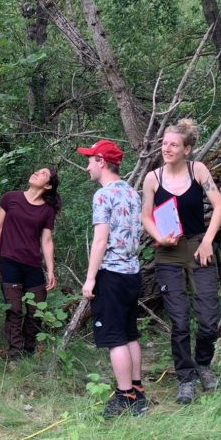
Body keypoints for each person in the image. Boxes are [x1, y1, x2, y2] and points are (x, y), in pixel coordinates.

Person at [141, 119, 221, 405]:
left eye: (173, 144)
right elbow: (145, 217)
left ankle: (204, 364)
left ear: (187, 150)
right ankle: (186, 378)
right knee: (179, 321)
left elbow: (219, 207)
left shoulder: (198, 170)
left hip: (199, 247)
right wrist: (158, 237)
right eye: (164, 143)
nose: (166, 148)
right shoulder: (153, 178)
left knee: (207, 318)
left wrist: (206, 241)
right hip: (168, 253)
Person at [77, 140, 148, 419]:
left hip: (112, 273)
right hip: (132, 273)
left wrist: (90, 278)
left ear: (101, 162)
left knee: (116, 337)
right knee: (129, 333)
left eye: (90, 161)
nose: (87, 167)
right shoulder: (132, 192)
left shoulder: (103, 195)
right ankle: (137, 389)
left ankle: (125, 395)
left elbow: (100, 239)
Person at [0, 167, 61, 360]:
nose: (36, 173)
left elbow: (46, 241)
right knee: (14, 309)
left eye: (43, 174)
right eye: (37, 171)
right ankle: (15, 355)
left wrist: (51, 270)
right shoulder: (10, 198)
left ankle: (29, 352)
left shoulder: (48, 210)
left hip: (33, 265)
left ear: (47, 185)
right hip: (8, 260)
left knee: (36, 310)